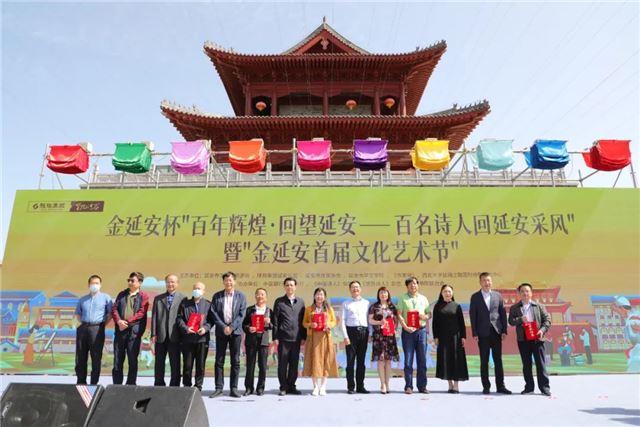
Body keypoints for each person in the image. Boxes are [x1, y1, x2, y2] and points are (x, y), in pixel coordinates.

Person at [469, 272, 511, 394]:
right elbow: (473, 315)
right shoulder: (475, 297)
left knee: (498, 360)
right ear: (480, 282)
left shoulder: (498, 296)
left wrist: (504, 330)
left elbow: (502, 313)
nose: (487, 283)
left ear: (491, 282)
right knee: (484, 360)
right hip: (482, 333)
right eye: (484, 280)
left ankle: (500, 386)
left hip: (496, 332)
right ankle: (486, 386)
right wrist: (474, 333)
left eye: (488, 280)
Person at [508, 283, 551, 396]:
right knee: (526, 365)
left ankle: (544, 388)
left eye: (527, 291)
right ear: (519, 294)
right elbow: (511, 321)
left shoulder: (539, 306)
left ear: (531, 293)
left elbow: (547, 320)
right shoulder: (514, 308)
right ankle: (529, 387)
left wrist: (541, 330)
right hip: (523, 340)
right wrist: (520, 319)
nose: (525, 293)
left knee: (540, 364)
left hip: (537, 339)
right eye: (522, 291)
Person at [208, 272, 247, 398]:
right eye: (226, 280)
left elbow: (242, 314)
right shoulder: (217, 296)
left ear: (234, 281)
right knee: (219, 360)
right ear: (223, 282)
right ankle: (219, 388)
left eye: (230, 280)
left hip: (235, 332)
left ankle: (234, 388)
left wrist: (231, 327)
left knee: (235, 361)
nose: (228, 282)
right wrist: (224, 327)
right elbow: (214, 313)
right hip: (221, 331)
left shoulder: (241, 296)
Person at [111, 271, 149, 385]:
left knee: (132, 359)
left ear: (140, 282)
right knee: (118, 359)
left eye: (132, 280)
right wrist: (119, 321)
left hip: (134, 332)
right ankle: (117, 385)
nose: (130, 282)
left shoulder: (143, 296)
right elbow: (114, 309)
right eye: (129, 280)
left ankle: (131, 384)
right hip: (120, 330)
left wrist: (127, 322)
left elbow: (141, 313)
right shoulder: (122, 294)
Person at [75, 274, 112, 385]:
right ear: (88, 285)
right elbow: (78, 315)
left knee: (96, 357)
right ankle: (81, 382)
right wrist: (85, 323)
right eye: (92, 283)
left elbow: (110, 314)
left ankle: (94, 383)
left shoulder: (106, 298)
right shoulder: (82, 299)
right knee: (80, 356)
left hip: (97, 328)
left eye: (97, 283)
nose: (94, 285)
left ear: (100, 285)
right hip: (83, 328)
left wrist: (102, 325)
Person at [272, 277, 307, 396]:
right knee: (282, 364)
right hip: (283, 338)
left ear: (295, 287)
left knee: (294, 364)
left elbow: (303, 321)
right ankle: (283, 387)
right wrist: (275, 337)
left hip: (296, 339)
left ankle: (292, 386)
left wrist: (304, 337)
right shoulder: (279, 302)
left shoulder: (300, 302)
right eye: (287, 285)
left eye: (291, 285)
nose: (289, 287)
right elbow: (275, 321)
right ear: (284, 287)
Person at [397, 276, 431, 394]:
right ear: (407, 286)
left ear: (418, 285)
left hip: (421, 331)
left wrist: (425, 317)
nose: (413, 286)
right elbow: (399, 314)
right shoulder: (402, 298)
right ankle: (408, 386)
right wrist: (405, 327)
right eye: (410, 284)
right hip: (408, 332)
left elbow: (429, 314)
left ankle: (422, 386)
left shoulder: (423, 298)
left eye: (415, 283)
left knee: (422, 359)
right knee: (408, 359)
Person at [432, 284, 469, 393]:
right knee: (446, 360)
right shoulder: (437, 306)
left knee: (457, 359)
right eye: (445, 291)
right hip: (443, 338)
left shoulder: (457, 306)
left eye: (449, 291)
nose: (447, 293)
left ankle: (456, 384)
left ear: (452, 293)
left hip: (456, 337)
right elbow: (435, 324)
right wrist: (436, 337)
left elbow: (461, 323)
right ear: (441, 293)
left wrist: (463, 336)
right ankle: (449, 384)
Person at [303, 287, 339, 396]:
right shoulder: (309, 309)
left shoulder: (329, 309)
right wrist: (311, 324)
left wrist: (329, 325)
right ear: (314, 296)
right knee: (314, 360)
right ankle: (315, 386)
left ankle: (323, 387)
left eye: (321, 294)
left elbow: (334, 321)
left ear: (325, 297)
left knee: (325, 361)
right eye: (317, 294)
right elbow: (304, 323)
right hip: (313, 338)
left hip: (325, 337)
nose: (319, 296)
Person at [151, 273, 185, 387]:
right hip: (160, 335)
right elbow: (154, 317)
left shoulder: (183, 298)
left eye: (173, 282)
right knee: (159, 362)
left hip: (175, 335)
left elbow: (184, 318)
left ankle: (174, 384)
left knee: (175, 362)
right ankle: (159, 383)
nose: (170, 284)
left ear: (177, 283)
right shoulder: (158, 299)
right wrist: (153, 333)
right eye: (168, 282)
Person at [177, 281, 212, 391]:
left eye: (199, 289)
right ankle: (187, 385)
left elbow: (211, 321)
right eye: (195, 288)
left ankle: (198, 386)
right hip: (188, 339)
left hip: (202, 339)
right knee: (187, 365)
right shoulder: (185, 304)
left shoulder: (208, 304)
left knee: (200, 365)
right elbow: (179, 319)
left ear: (204, 291)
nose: (197, 290)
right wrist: (186, 328)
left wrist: (205, 328)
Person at [368, 286, 400, 394]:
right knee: (381, 361)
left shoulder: (392, 307)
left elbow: (396, 321)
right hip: (379, 336)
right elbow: (370, 320)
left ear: (388, 295)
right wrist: (379, 322)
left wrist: (394, 329)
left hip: (390, 336)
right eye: (381, 293)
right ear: (378, 295)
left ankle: (387, 383)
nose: (383, 294)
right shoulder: (374, 307)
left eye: (385, 293)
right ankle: (382, 384)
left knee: (388, 361)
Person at [341, 280, 371, 394]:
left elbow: (369, 319)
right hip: (351, 332)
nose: (355, 289)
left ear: (360, 289)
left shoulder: (367, 303)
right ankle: (351, 387)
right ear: (350, 290)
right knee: (350, 361)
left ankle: (360, 386)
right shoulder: (346, 303)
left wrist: (370, 333)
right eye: (353, 287)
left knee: (361, 361)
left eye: (357, 287)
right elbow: (342, 321)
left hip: (364, 332)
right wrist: (345, 336)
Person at [242, 288, 273, 396]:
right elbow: (244, 324)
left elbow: (273, 326)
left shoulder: (269, 311)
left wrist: (269, 323)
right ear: (255, 296)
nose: (260, 296)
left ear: (266, 297)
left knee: (263, 366)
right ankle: (249, 388)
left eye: (262, 294)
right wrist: (248, 328)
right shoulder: (249, 310)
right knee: (250, 366)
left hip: (263, 341)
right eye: (258, 294)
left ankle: (260, 388)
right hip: (251, 341)